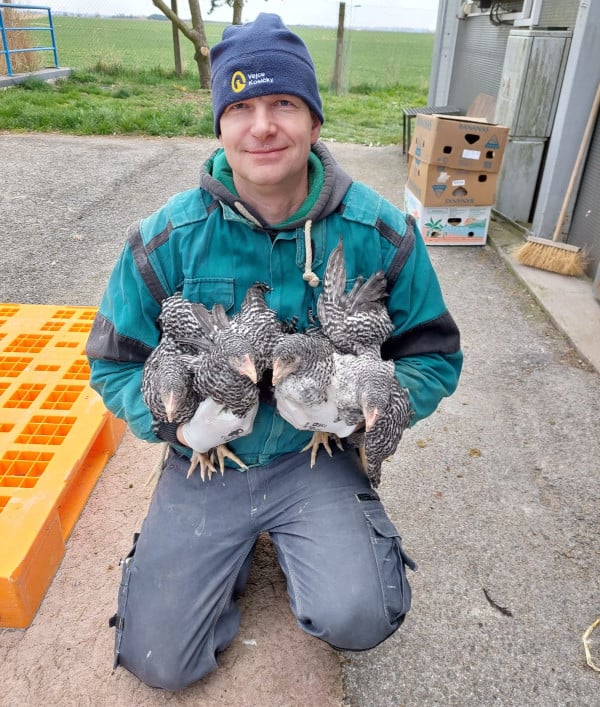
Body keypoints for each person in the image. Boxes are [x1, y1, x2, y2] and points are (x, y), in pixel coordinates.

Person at [86, 13, 462, 691]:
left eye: (284, 103)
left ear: (314, 123)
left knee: (360, 612)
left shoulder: (381, 231)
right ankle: (213, 553)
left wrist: (362, 412)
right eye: (241, 107)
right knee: (158, 661)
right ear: (221, 128)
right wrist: (174, 424)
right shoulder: (164, 239)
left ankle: (311, 535)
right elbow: (113, 364)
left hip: (310, 456)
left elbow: (434, 356)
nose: (263, 126)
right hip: (204, 460)